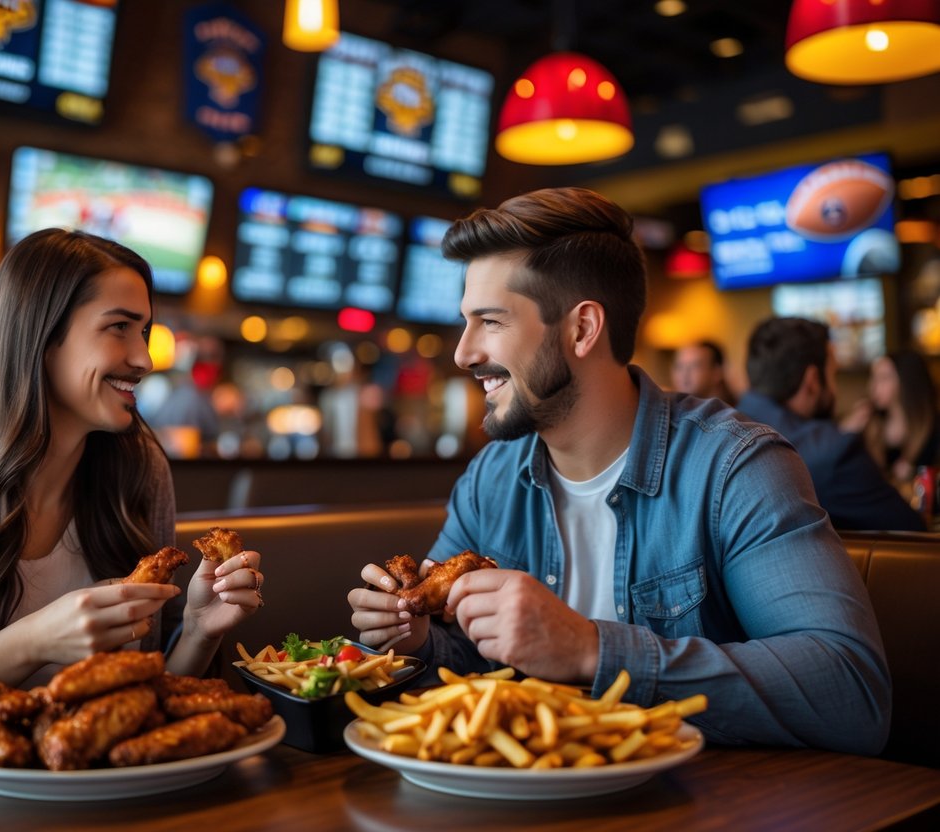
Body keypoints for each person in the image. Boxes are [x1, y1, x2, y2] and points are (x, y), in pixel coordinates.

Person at [347, 188, 890, 755]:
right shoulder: (491, 480)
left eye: (490, 321)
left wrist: (592, 649)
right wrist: (417, 639)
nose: (462, 353)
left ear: (582, 329)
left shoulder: (735, 468)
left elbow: (851, 694)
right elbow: (464, 655)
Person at [0, 228, 266, 733]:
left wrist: (197, 634)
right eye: (119, 327)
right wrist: (31, 642)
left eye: (144, 331)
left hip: (108, 798)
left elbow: (149, 701)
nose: (144, 359)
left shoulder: (139, 469)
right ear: (40, 335)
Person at [738, 317, 925, 532]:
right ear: (812, 381)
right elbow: (913, 532)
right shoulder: (834, 451)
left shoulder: (718, 431)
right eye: (833, 374)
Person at [842, 350, 940, 487]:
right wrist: (845, 433)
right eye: (873, 377)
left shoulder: (932, 428)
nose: (873, 386)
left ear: (906, 380)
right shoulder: (869, 424)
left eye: (883, 378)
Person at [671, 340, 735, 404]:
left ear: (717, 372)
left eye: (695, 366)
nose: (684, 374)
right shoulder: (671, 407)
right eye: (679, 366)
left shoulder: (731, 411)